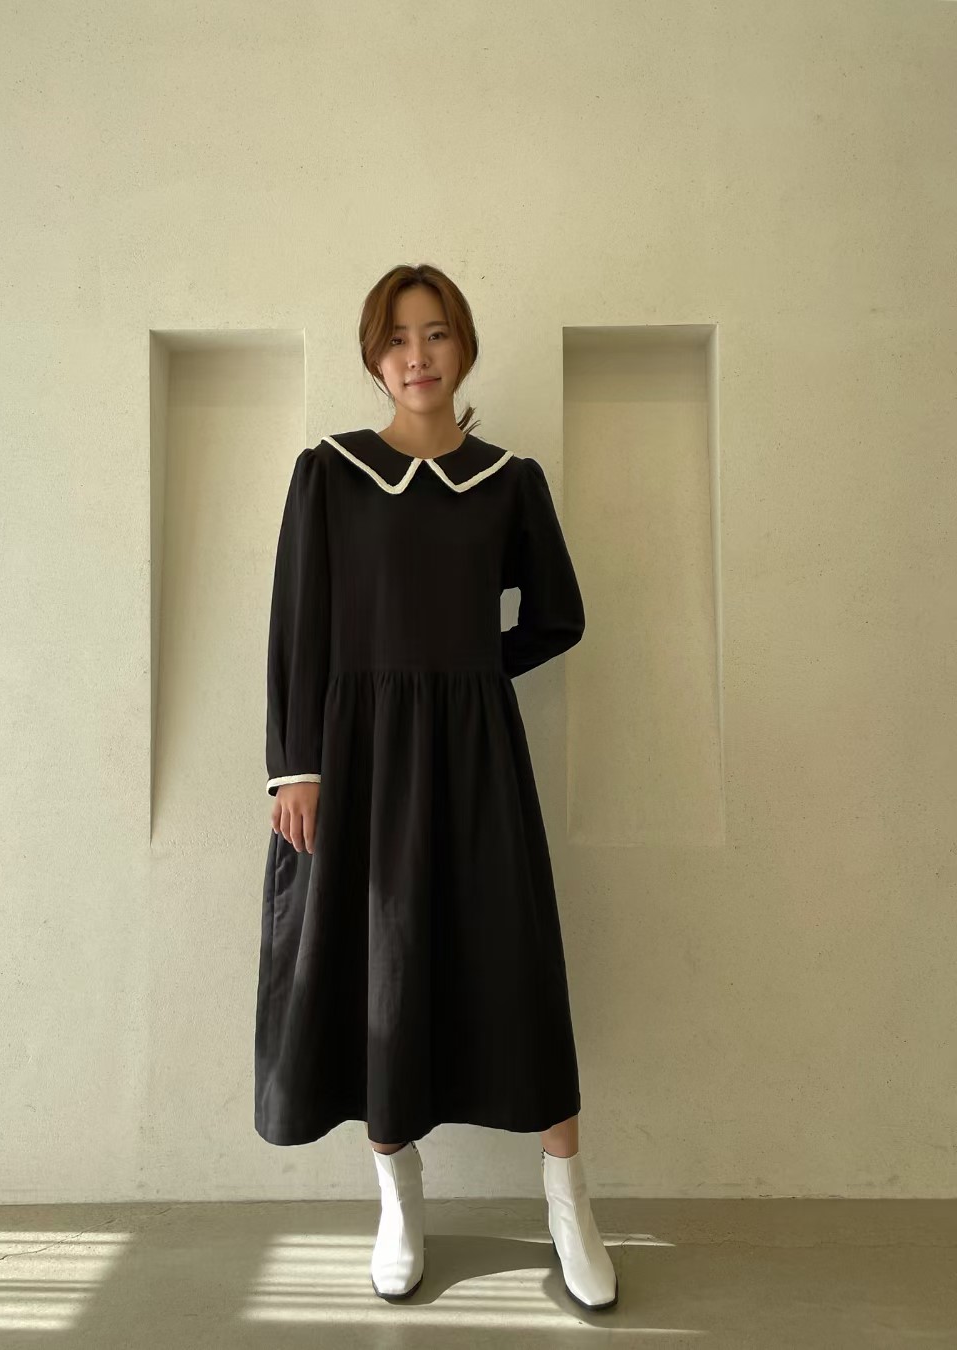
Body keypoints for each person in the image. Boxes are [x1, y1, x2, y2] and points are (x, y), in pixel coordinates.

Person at [254, 263, 618, 1312]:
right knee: (382, 968)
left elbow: (557, 615)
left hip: (475, 756)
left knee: (515, 963)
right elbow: (298, 625)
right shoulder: (329, 474)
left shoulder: (509, 481)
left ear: (463, 346)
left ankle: (569, 1202)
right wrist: (297, 766)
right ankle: (399, 1200)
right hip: (357, 761)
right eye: (398, 337)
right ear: (375, 357)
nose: (418, 356)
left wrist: (466, 676)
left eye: (437, 333)